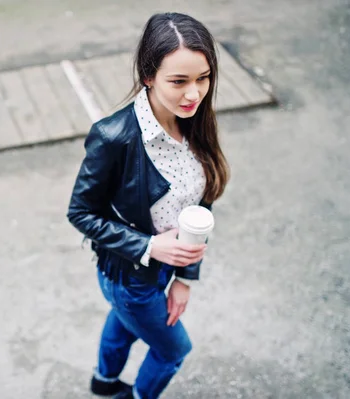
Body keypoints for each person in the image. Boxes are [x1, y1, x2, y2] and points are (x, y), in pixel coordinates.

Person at [66, 12, 230, 399]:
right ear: (148, 76)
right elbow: (80, 212)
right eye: (179, 81)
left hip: (159, 274)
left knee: (123, 323)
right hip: (130, 276)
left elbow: (198, 208)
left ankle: (103, 382)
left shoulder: (194, 121)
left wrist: (186, 277)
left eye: (203, 78)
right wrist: (149, 246)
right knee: (174, 350)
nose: (194, 93)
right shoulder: (114, 137)